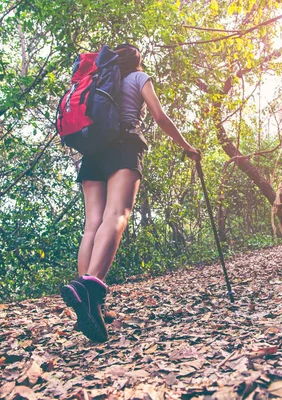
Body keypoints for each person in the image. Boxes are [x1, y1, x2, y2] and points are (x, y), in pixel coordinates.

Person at [61, 44, 200, 342]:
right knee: (117, 214)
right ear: (137, 62)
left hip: (92, 151)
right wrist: (187, 147)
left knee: (92, 225)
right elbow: (159, 116)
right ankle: (90, 287)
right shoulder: (138, 78)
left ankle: (88, 300)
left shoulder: (96, 80)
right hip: (124, 146)